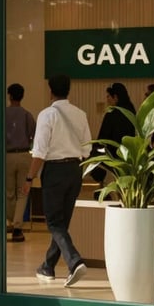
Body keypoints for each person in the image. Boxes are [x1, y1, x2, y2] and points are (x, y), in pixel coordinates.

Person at [22, 73, 92, 288]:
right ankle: (48, 266)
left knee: (53, 222)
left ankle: (74, 261)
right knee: (61, 222)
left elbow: (40, 151)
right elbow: (87, 148)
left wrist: (29, 177)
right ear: (68, 90)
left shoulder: (47, 114)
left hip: (54, 171)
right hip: (75, 169)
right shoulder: (80, 114)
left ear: (50, 90)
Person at [3, 83, 36, 243]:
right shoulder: (27, 115)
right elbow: (33, 134)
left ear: (9, 96)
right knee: (22, 192)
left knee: (8, 192)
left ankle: (10, 221)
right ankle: (17, 227)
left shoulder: (2, 114)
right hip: (24, 155)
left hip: (7, 156)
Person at [90, 83, 136, 184]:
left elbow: (103, 138)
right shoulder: (132, 112)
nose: (107, 99)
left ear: (115, 97)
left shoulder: (112, 114)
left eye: (108, 96)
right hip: (128, 158)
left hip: (112, 160)